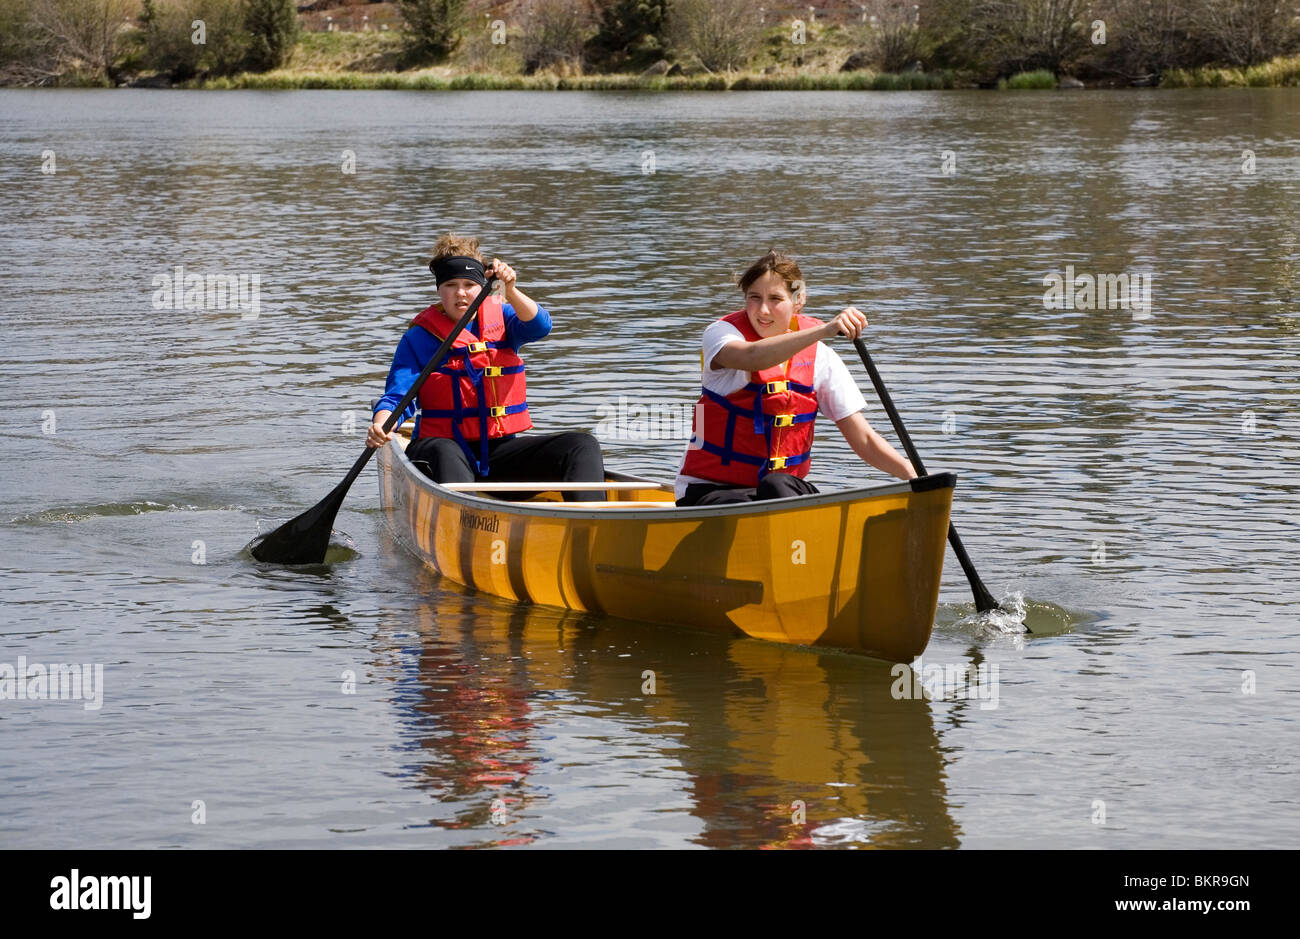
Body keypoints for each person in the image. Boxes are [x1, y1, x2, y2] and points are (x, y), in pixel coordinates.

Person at [368, 234, 605, 502]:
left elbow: (541, 326)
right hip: (437, 453)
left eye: (469, 284)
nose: (460, 292)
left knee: (581, 445)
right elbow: (397, 398)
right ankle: (464, 529)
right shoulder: (418, 338)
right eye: (450, 284)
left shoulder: (503, 319)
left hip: (497, 455)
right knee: (446, 452)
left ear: (482, 288)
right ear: (438, 290)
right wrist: (380, 425)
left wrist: (511, 289)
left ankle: (593, 526)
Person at [675, 250, 916, 506]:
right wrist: (824, 330)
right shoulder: (721, 334)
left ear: (798, 301)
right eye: (754, 298)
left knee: (776, 483)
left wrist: (913, 475)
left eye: (776, 299)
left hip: (780, 492)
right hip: (710, 491)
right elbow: (752, 357)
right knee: (771, 488)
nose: (763, 310)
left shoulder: (822, 358)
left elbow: (864, 439)